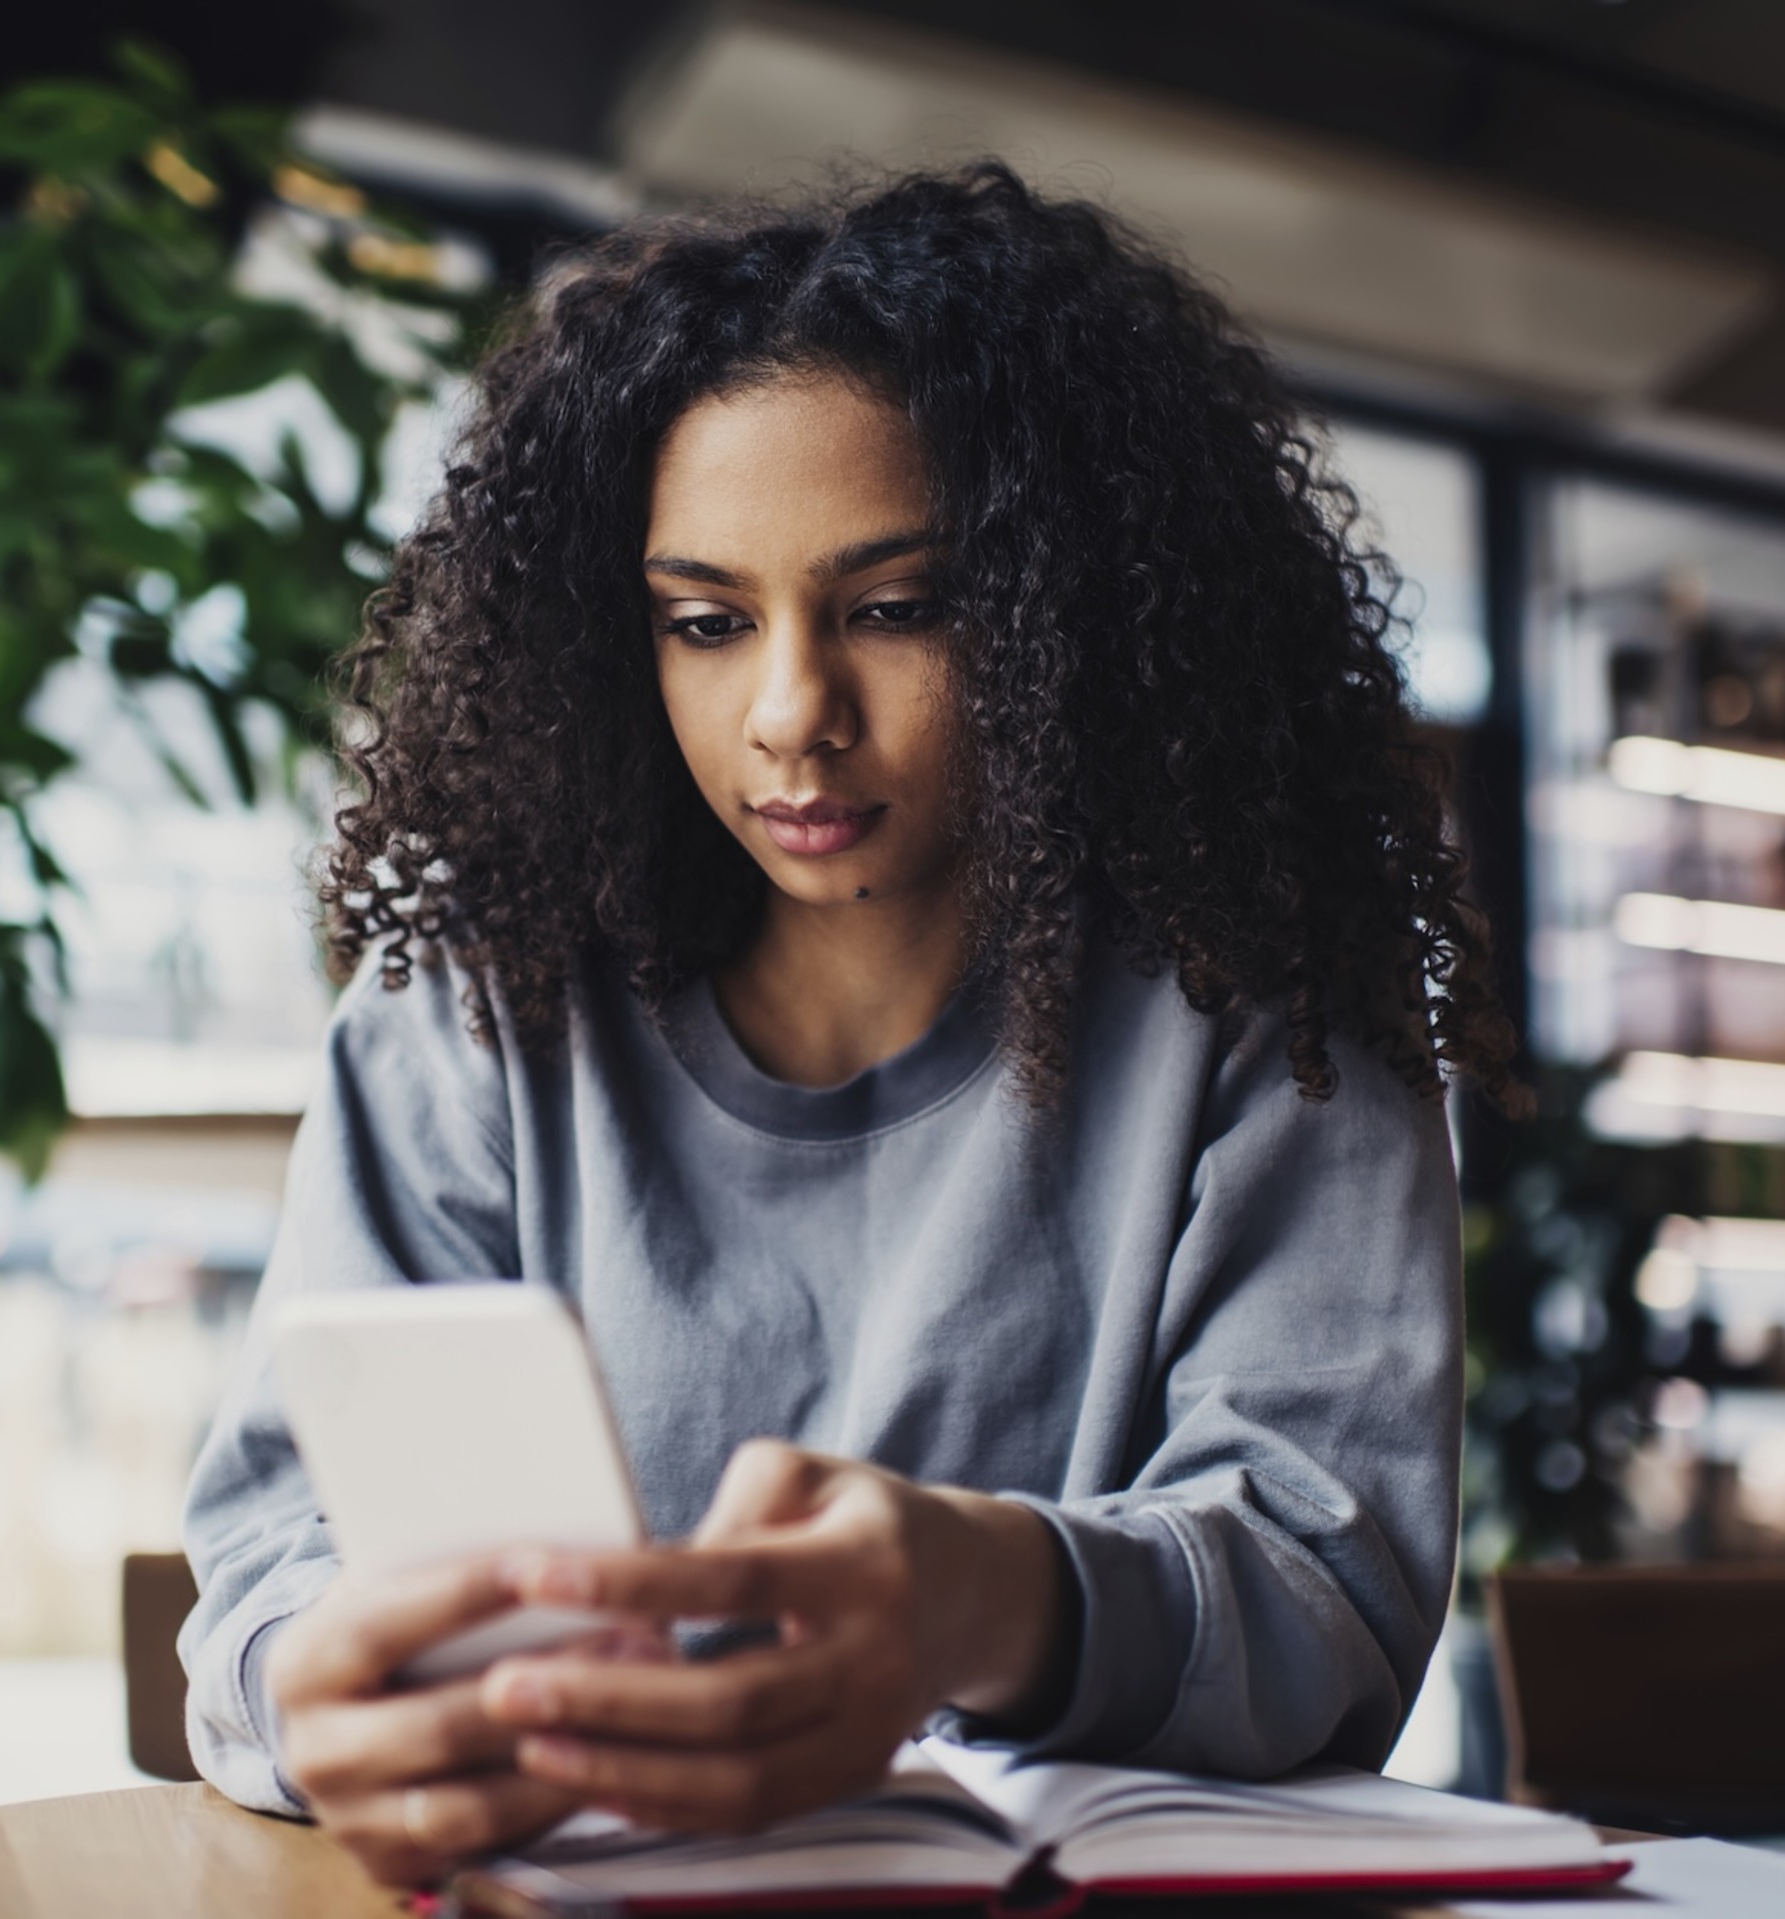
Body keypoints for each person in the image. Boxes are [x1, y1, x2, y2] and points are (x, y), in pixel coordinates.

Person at [179, 163, 1522, 1888]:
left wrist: (985, 1598)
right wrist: (320, 1681)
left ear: (1065, 616)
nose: (792, 711)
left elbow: (1332, 1592)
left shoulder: (1262, 998)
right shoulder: (473, 1000)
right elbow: (273, 1558)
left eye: (897, 607)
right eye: (705, 623)